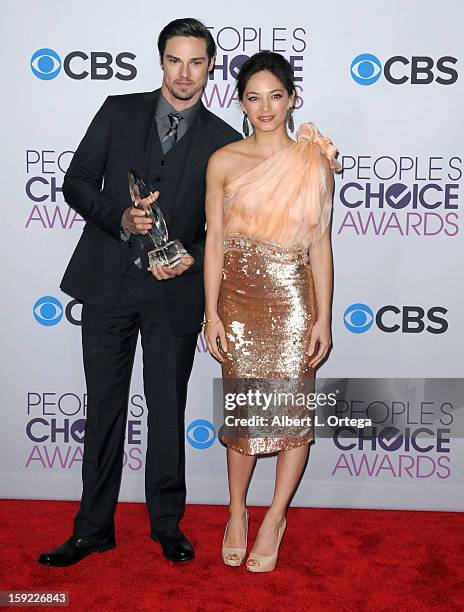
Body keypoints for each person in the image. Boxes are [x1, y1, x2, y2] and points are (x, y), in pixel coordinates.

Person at [38, 18, 241, 567]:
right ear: (161, 62)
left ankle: (166, 524)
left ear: (210, 67)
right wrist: (120, 218)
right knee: (104, 409)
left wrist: (191, 259)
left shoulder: (225, 140)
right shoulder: (118, 109)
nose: (185, 74)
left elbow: (229, 231)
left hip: (173, 296)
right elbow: (76, 181)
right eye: (176, 60)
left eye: (196, 62)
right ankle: (92, 528)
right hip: (108, 284)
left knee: (167, 411)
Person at [203, 51, 342, 572]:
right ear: (241, 102)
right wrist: (211, 315)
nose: (265, 108)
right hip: (235, 302)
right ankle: (237, 511)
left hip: (292, 303)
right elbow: (214, 241)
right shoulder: (224, 160)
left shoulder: (312, 160)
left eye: (275, 96)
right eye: (254, 98)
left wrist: (323, 317)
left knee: (289, 416)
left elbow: (321, 244)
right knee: (243, 415)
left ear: (291, 99)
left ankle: (274, 517)